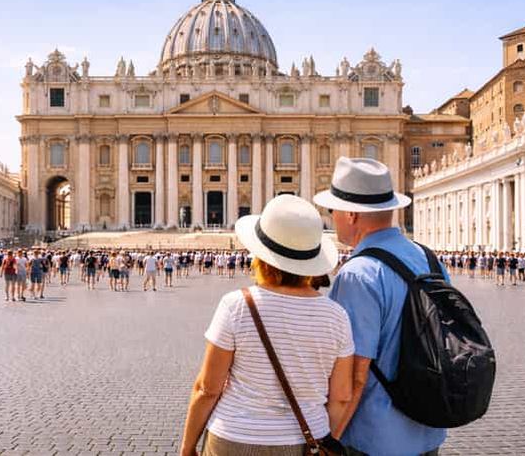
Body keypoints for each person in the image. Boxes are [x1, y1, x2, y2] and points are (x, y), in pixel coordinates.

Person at [180, 194, 354, 456]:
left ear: (260, 256)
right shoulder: (337, 316)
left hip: (235, 438)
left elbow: (207, 389)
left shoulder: (235, 305)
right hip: (305, 442)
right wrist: (320, 439)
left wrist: (187, 446)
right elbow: (341, 396)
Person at [313, 157, 447, 455]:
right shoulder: (429, 258)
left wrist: (328, 441)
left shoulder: (358, 274)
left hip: (373, 437)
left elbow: (354, 375)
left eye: (332, 210)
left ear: (350, 214)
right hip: (427, 430)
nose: (331, 217)